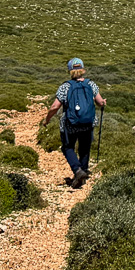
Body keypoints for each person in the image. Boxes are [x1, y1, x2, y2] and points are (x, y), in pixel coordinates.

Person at [41, 57, 104, 189]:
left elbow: (55, 107)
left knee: (68, 147)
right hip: (88, 123)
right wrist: (103, 102)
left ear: (69, 70)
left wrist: (47, 119)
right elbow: (100, 102)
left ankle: (77, 170)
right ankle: (83, 173)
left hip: (70, 124)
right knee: (84, 148)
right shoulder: (91, 84)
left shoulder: (65, 86)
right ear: (83, 69)